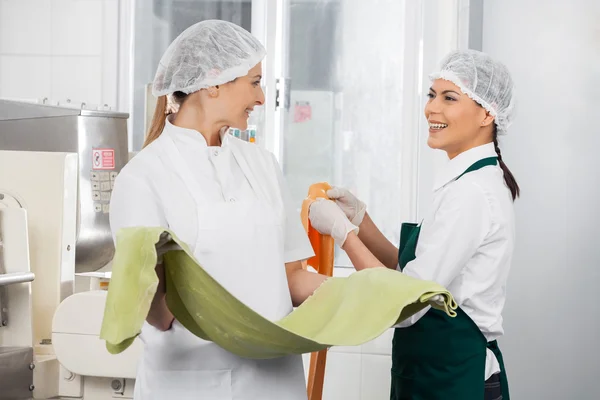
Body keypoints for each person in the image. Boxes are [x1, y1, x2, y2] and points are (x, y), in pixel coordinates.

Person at [110, 20, 328, 400]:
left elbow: (291, 278)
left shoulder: (263, 164)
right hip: (191, 385)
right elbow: (158, 312)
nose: (261, 98)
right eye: (254, 82)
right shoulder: (144, 176)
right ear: (213, 82)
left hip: (274, 381)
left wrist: (365, 296)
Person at [308, 49, 517, 400]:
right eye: (432, 95)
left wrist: (344, 235)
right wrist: (360, 219)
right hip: (436, 372)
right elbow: (410, 275)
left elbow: (406, 303)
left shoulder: (472, 193)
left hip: (453, 378)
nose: (431, 108)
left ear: (487, 113)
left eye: (449, 98)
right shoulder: (464, 182)